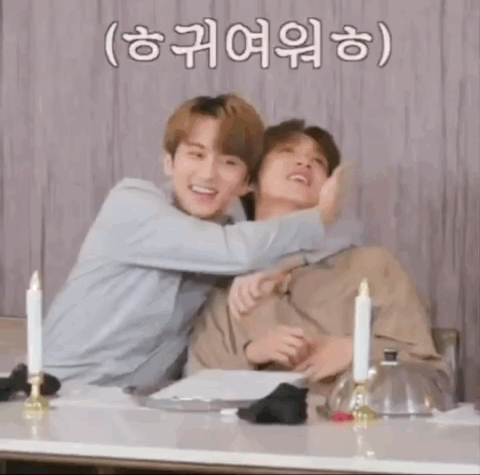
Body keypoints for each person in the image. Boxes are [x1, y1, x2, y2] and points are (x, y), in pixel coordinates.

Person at [42, 95, 355, 389]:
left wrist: (277, 270)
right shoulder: (131, 204)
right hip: (59, 393)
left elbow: (336, 247)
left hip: (144, 410)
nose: (207, 174)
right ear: (169, 163)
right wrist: (320, 217)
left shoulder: (236, 240)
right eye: (196, 154)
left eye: (228, 162)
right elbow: (235, 251)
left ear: (246, 182)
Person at [186, 119, 448, 394]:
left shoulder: (372, 266)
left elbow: (431, 378)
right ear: (249, 181)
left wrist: (357, 351)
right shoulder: (228, 285)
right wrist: (252, 354)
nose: (305, 162)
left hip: (351, 420)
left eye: (319, 162)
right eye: (287, 151)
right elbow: (196, 389)